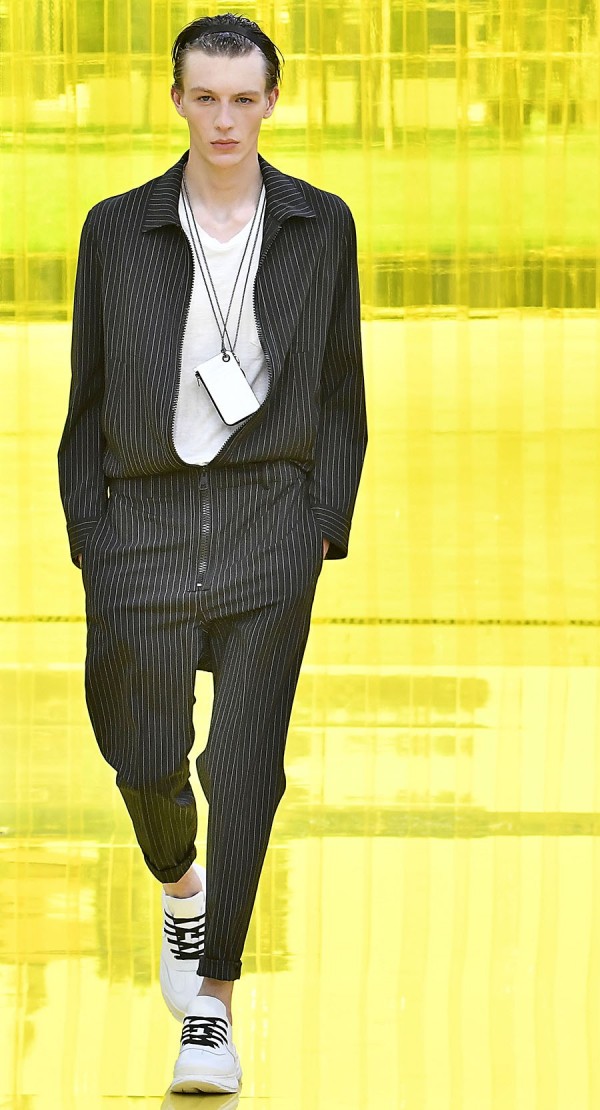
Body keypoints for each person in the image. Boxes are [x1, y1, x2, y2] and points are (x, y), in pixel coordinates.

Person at [57, 11, 367, 1096]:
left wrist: (322, 518)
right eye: (206, 97)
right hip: (139, 522)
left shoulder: (320, 224)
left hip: (267, 518)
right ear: (178, 100)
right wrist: (92, 536)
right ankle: (180, 886)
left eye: (244, 98)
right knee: (143, 752)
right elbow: (88, 389)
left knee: (243, 765)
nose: (225, 119)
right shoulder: (117, 229)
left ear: (272, 101)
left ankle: (213, 1009)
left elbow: (340, 385)